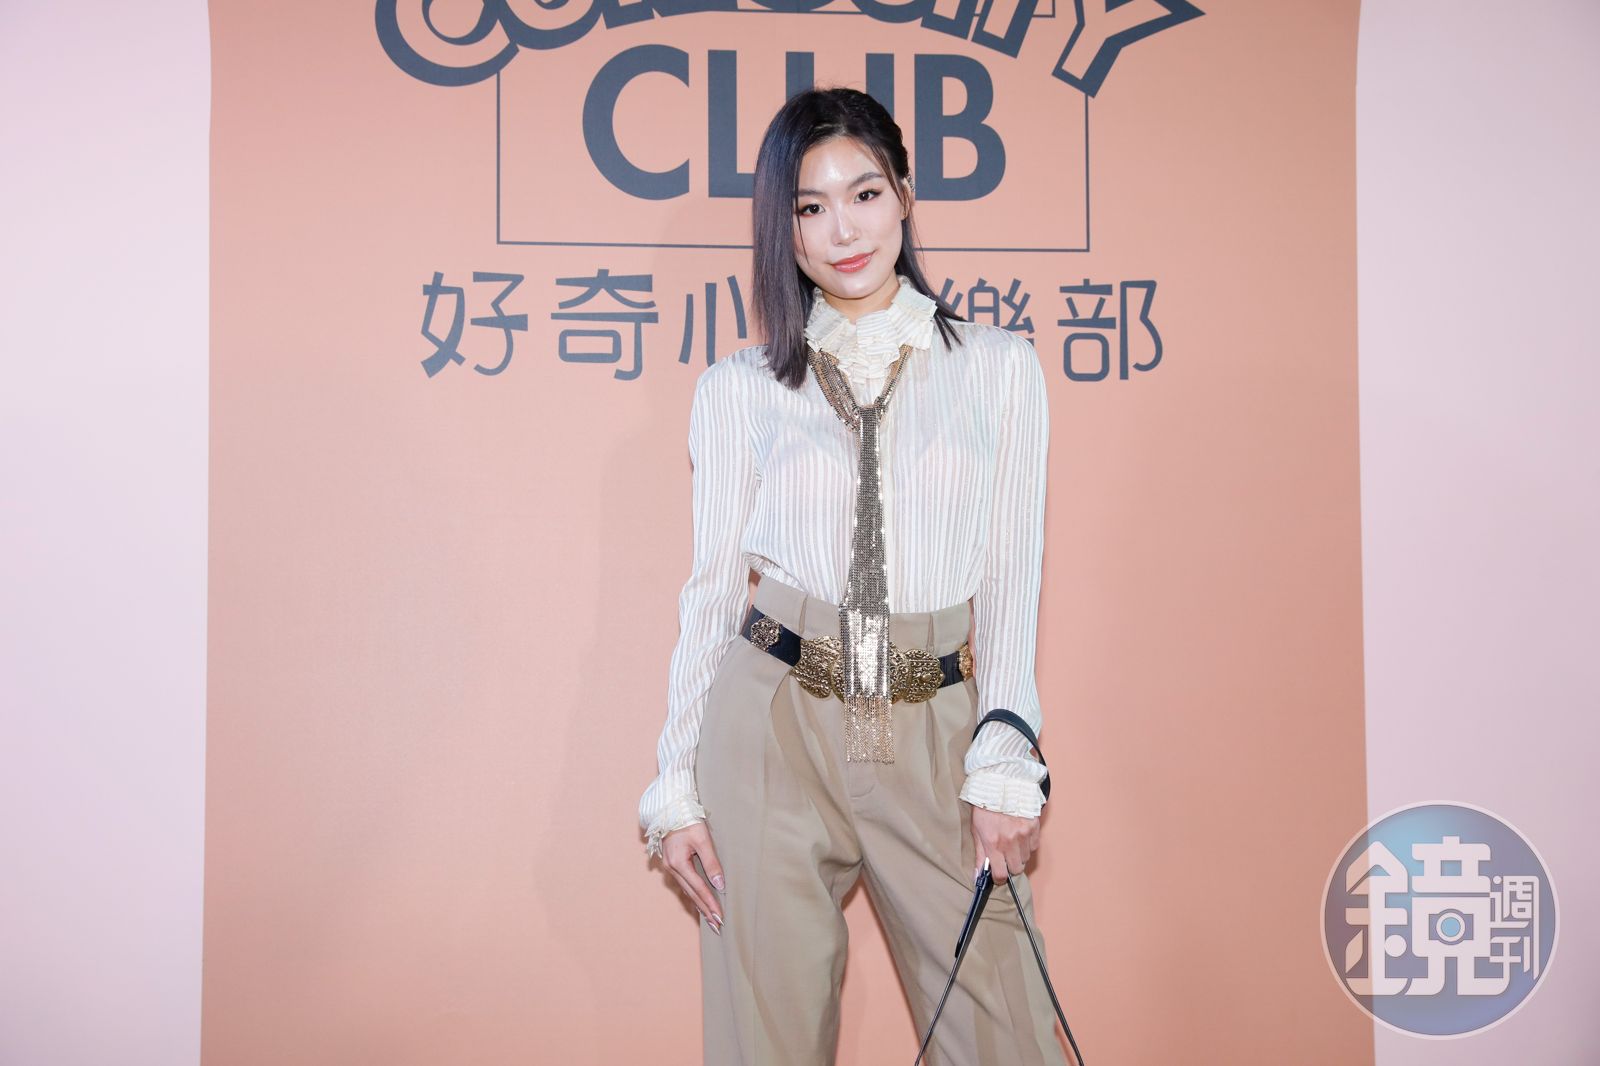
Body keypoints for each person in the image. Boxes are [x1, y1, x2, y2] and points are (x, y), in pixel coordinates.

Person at [638, 86, 1065, 1065]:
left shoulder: (997, 367)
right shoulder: (741, 389)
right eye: (810, 206)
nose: (843, 230)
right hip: (774, 723)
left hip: (932, 722)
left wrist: (1006, 751)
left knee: (1004, 1035)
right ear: (781, 227)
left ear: (904, 196)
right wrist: (676, 783)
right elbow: (713, 593)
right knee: (766, 1042)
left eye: (865, 193)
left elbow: (1011, 579)